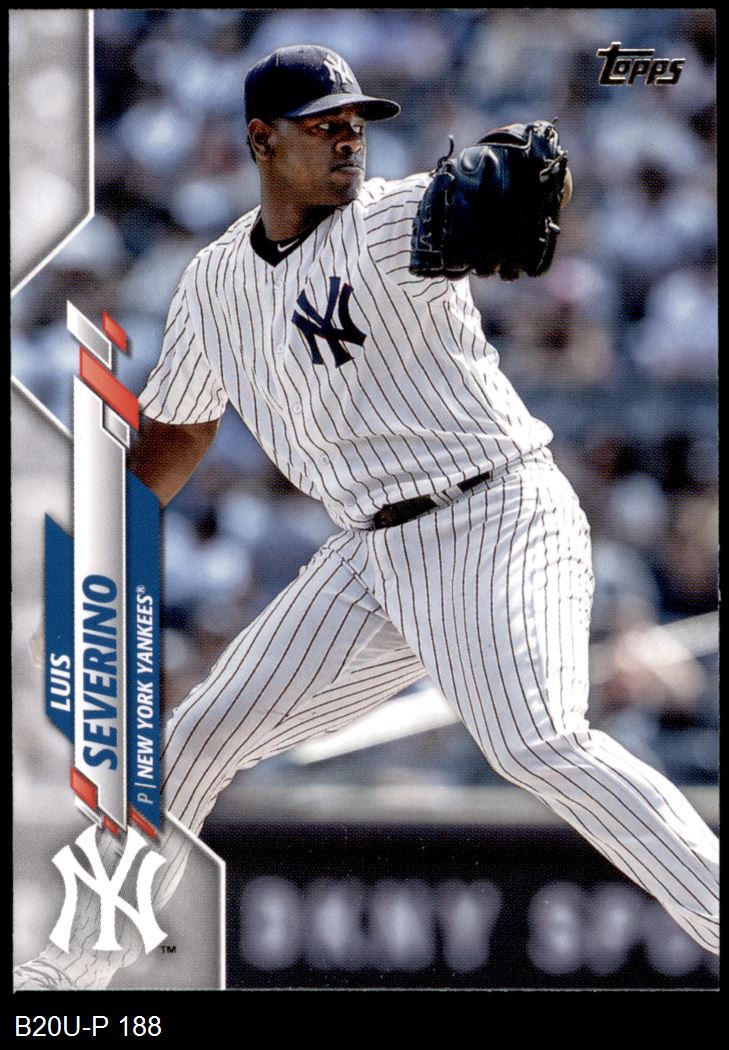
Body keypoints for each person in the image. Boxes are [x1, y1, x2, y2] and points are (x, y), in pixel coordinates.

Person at [16, 44, 718, 989]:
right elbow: (178, 432)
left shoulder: (389, 220)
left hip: (495, 514)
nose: (348, 139)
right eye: (323, 126)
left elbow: (479, 197)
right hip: (368, 556)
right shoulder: (215, 284)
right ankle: (68, 981)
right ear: (261, 140)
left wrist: (528, 152)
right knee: (192, 740)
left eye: (355, 123)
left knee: (536, 740)